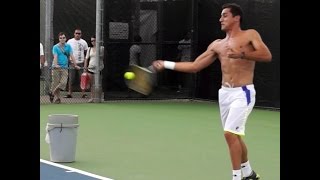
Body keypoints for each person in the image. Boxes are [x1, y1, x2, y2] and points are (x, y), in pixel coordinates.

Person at [152, 3, 272, 180]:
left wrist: (242, 55)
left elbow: (266, 55)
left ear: (236, 18)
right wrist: (166, 64)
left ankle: (236, 177)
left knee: (230, 133)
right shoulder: (217, 45)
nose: (220, 19)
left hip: (243, 92)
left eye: (224, 15)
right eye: (220, 16)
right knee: (235, 136)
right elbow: (194, 66)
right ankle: (249, 173)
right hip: (225, 94)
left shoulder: (250, 35)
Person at [49, 32, 80, 104]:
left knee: (63, 83)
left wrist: (75, 65)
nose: (62, 39)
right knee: (55, 83)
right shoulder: (55, 47)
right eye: (61, 38)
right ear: (59, 39)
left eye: (63, 38)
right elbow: (55, 56)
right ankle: (58, 99)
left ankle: (52, 93)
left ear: (65, 39)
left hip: (65, 67)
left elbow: (72, 56)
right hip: (56, 67)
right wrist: (56, 65)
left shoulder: (68, 46)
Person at [65, 28, 89, 98]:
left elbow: (86, 54)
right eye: (76, 33)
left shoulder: (84, 42)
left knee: (82, 79)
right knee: (71, 79)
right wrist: (69, 61)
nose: (77, 35)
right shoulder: (69, 41)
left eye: (79, 33)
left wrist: (85, 63)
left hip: (81, 63)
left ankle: (83, 94)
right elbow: (67, 52)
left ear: (81, 34)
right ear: (74, 34)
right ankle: (69, 93)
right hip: (72, 63)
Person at [84, 35, 104, 103]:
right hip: (90, 68)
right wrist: (85, 68)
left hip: (99, 69)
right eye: (92, 41)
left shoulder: (101, 48)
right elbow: (86, 59)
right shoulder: (89, 49)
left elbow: (103, 57)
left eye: (94, 40)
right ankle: (92, 98)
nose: (93, 42)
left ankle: (100, 98)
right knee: (92, 84)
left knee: (99, 84)